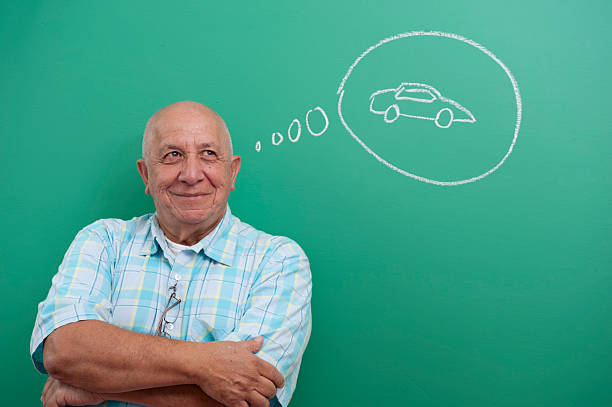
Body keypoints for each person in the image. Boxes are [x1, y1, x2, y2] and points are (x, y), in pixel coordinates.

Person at [30, 101, 312, 407]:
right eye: (172, 155)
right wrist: (206, 364)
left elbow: (250, 394)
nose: (191, 174)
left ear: (232, 172)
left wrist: (98, 387)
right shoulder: (102, 240)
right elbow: (64, 351)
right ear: (145, 175)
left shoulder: (279, 260)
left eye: (209, 154)